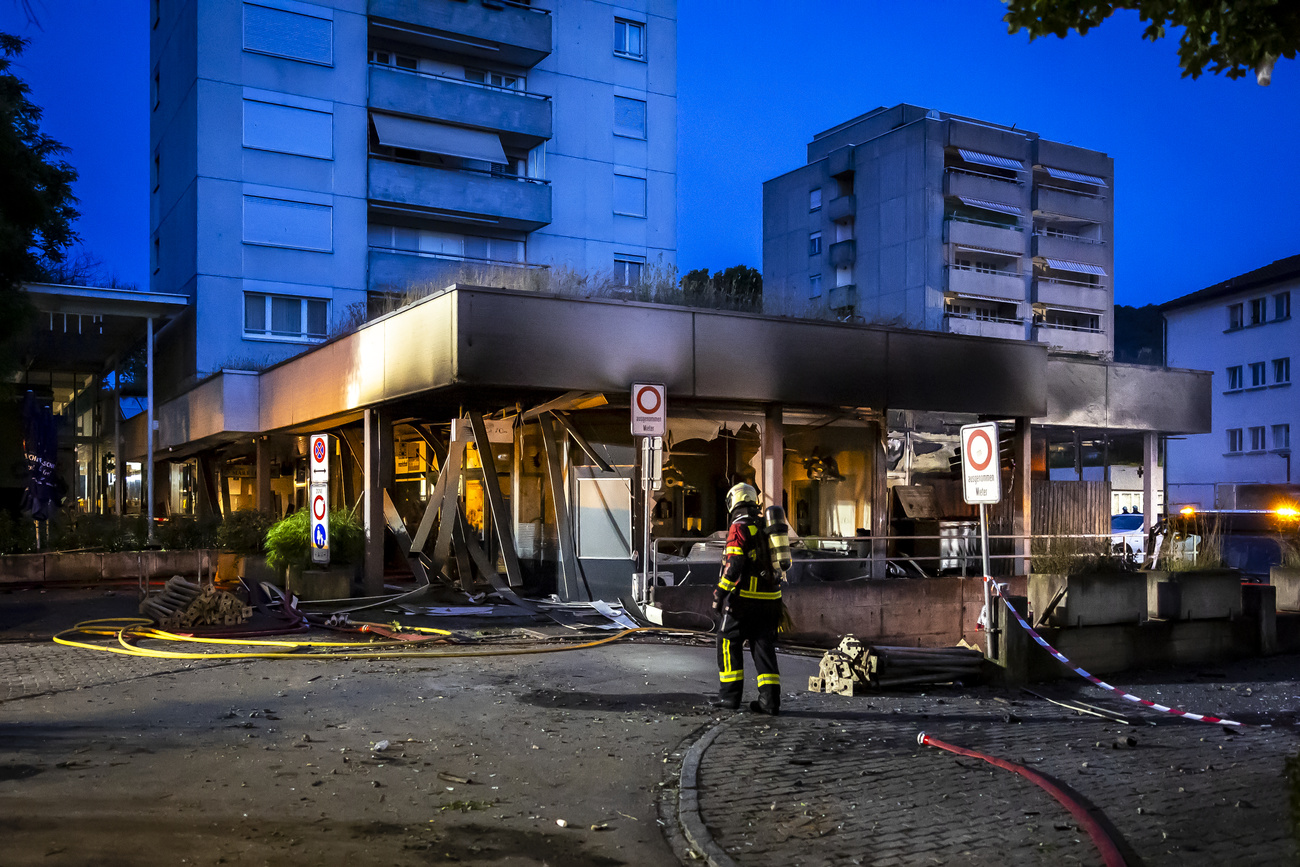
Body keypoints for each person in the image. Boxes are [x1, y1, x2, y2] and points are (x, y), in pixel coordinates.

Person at [711, 482, 782, 714]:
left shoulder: (739, 528)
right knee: (763, 646)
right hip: (772, 600)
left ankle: (729, 698)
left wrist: (719, 594)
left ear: (733, 502)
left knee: (726, 639)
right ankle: (770, 701)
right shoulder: (764, 526)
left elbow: (733, 566)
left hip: (744, 601)